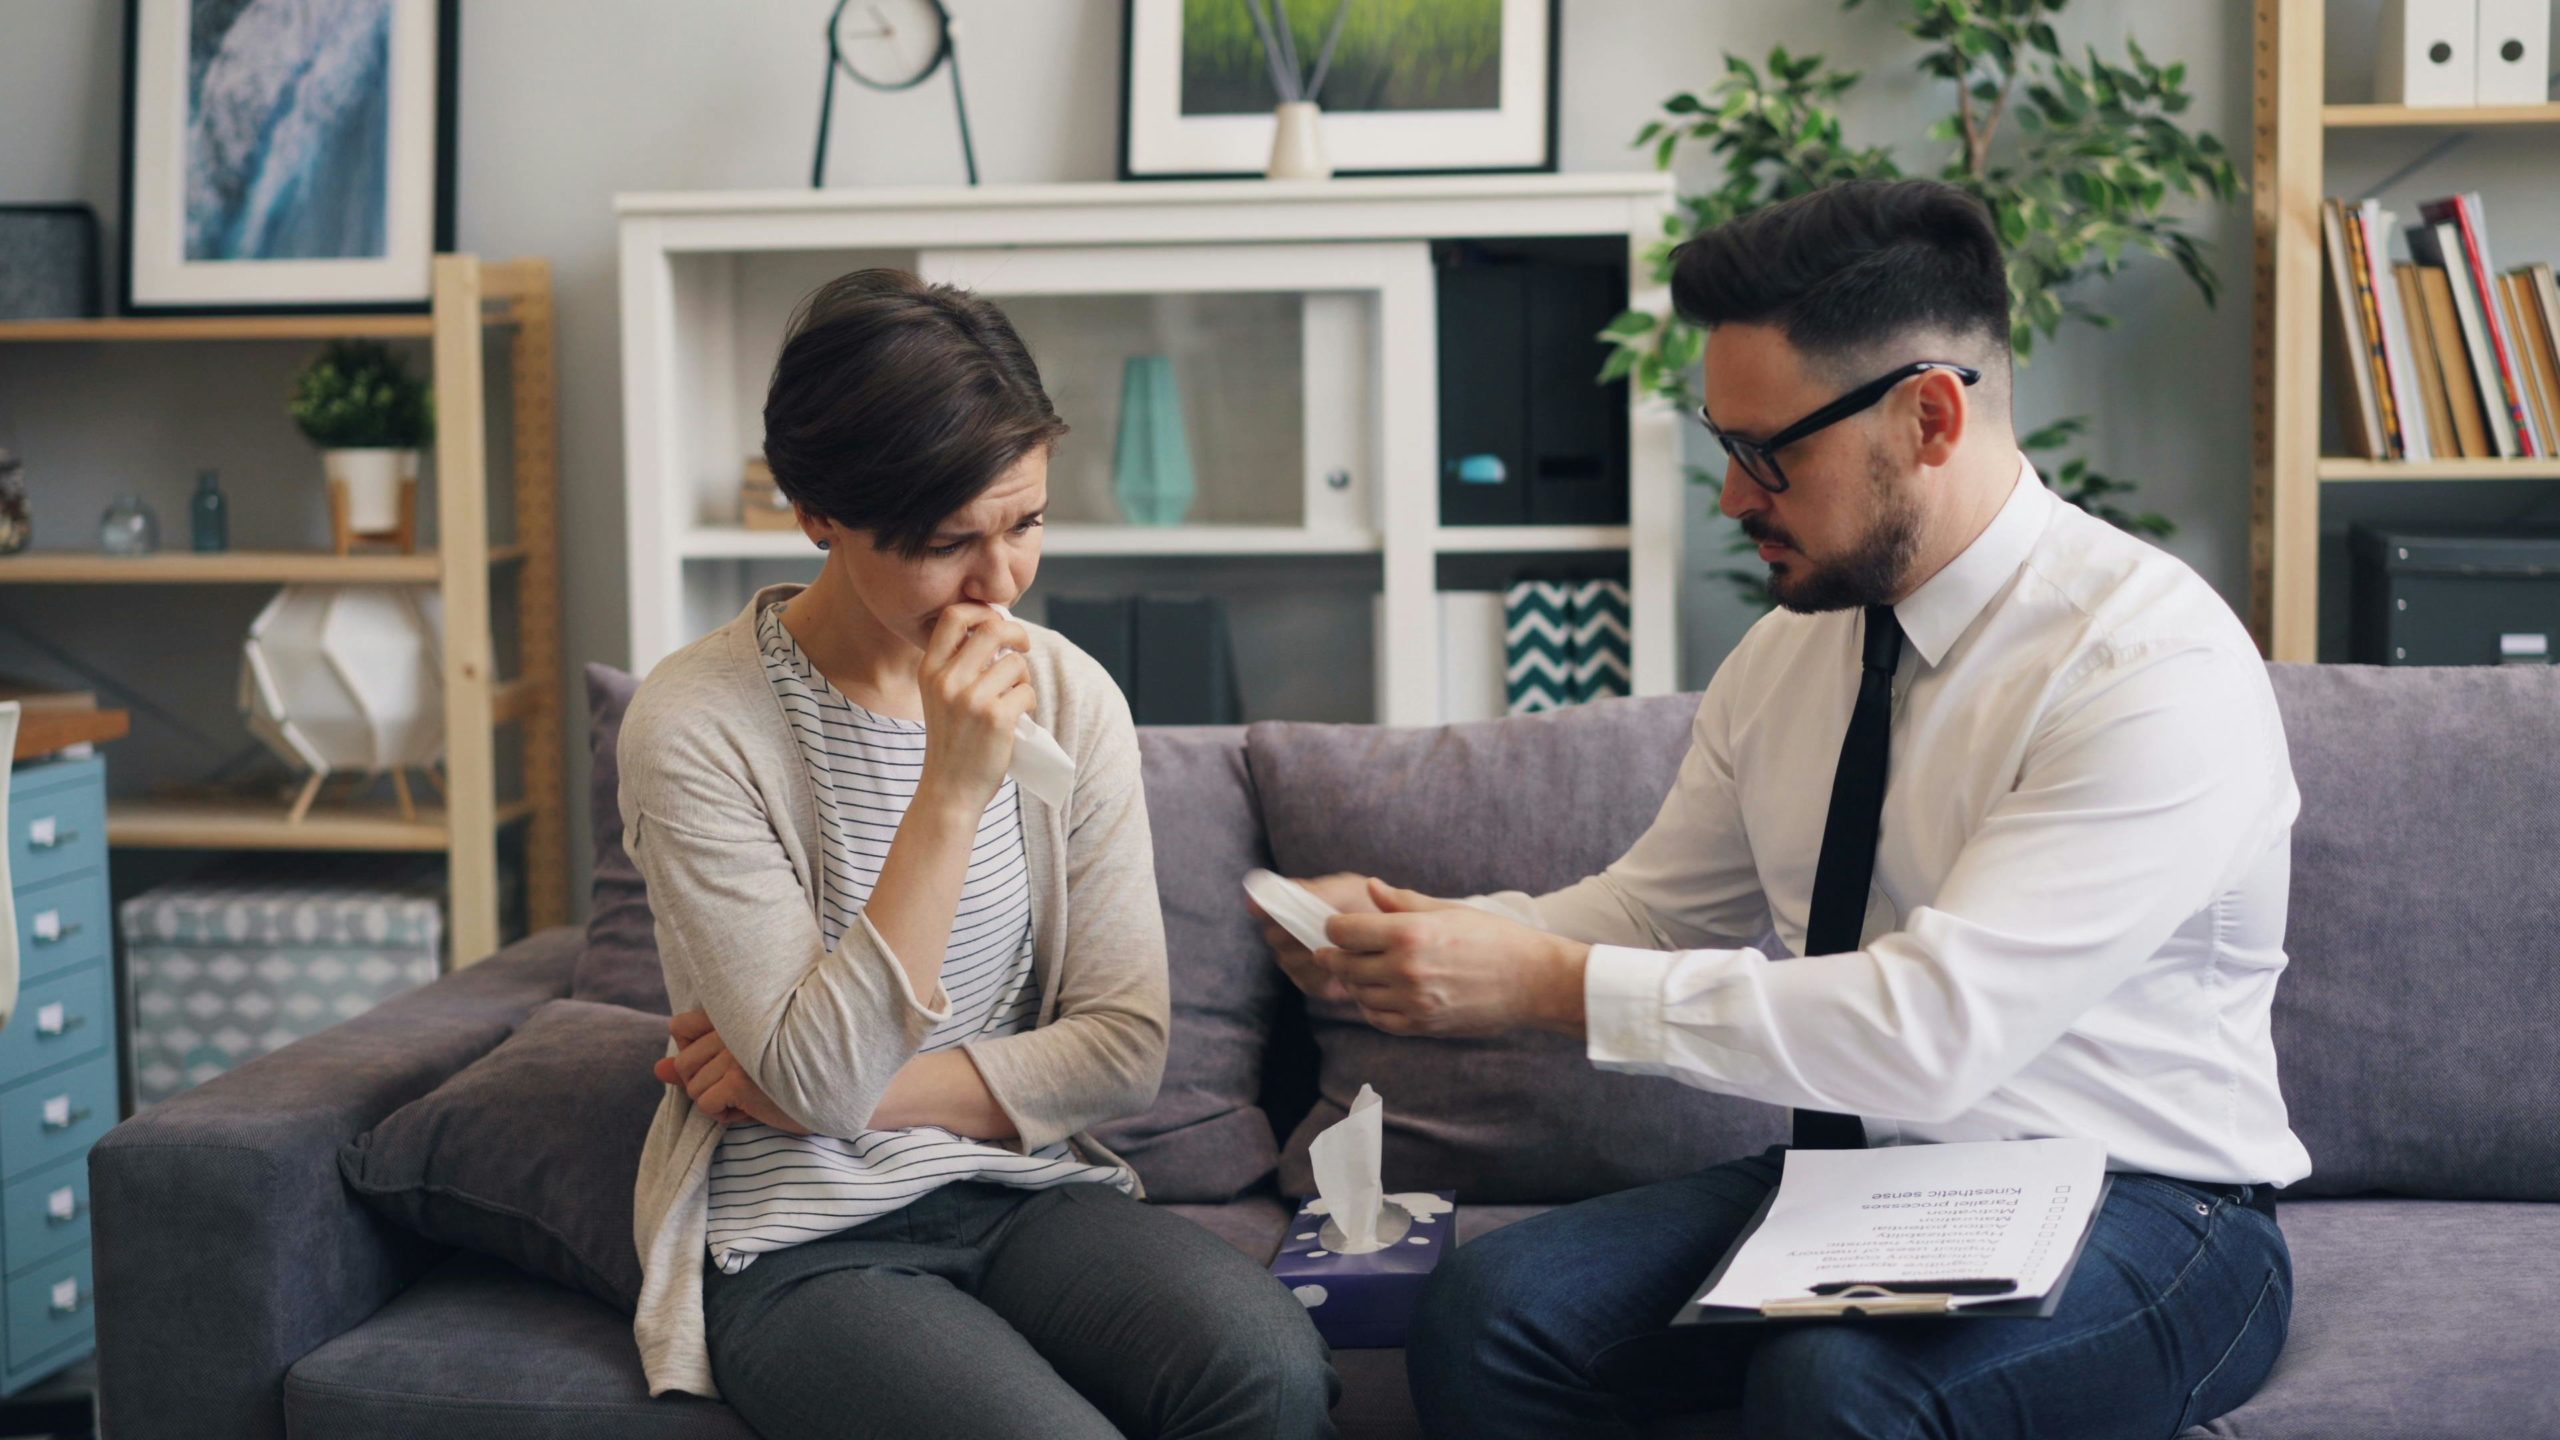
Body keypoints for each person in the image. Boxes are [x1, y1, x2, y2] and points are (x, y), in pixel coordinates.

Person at [1262, 179, 2307, 1440]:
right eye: (1724, 446)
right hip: (1872, 1182)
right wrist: (1423, 931)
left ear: (1929, 416)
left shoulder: (2148, 665)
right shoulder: (1788, 657)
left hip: (2148, 1202)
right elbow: (1655, 908)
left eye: (1770, 453)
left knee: (1838, 1387)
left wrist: (1539, 984)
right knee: (1493, 1308)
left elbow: (1932, 1032)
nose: (1732, 498)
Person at [620, 269, 1337, 1439]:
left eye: (1026, 523)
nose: (1001, 584)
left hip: (1025, 1192)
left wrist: (841, 1098)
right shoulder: (695, 725)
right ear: (816, 515)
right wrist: (951, 786)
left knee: (1266, 1370)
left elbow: (1124, 1047)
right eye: (949, 543)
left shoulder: (1069, 695)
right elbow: (820, 1081)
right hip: (804, 1237)